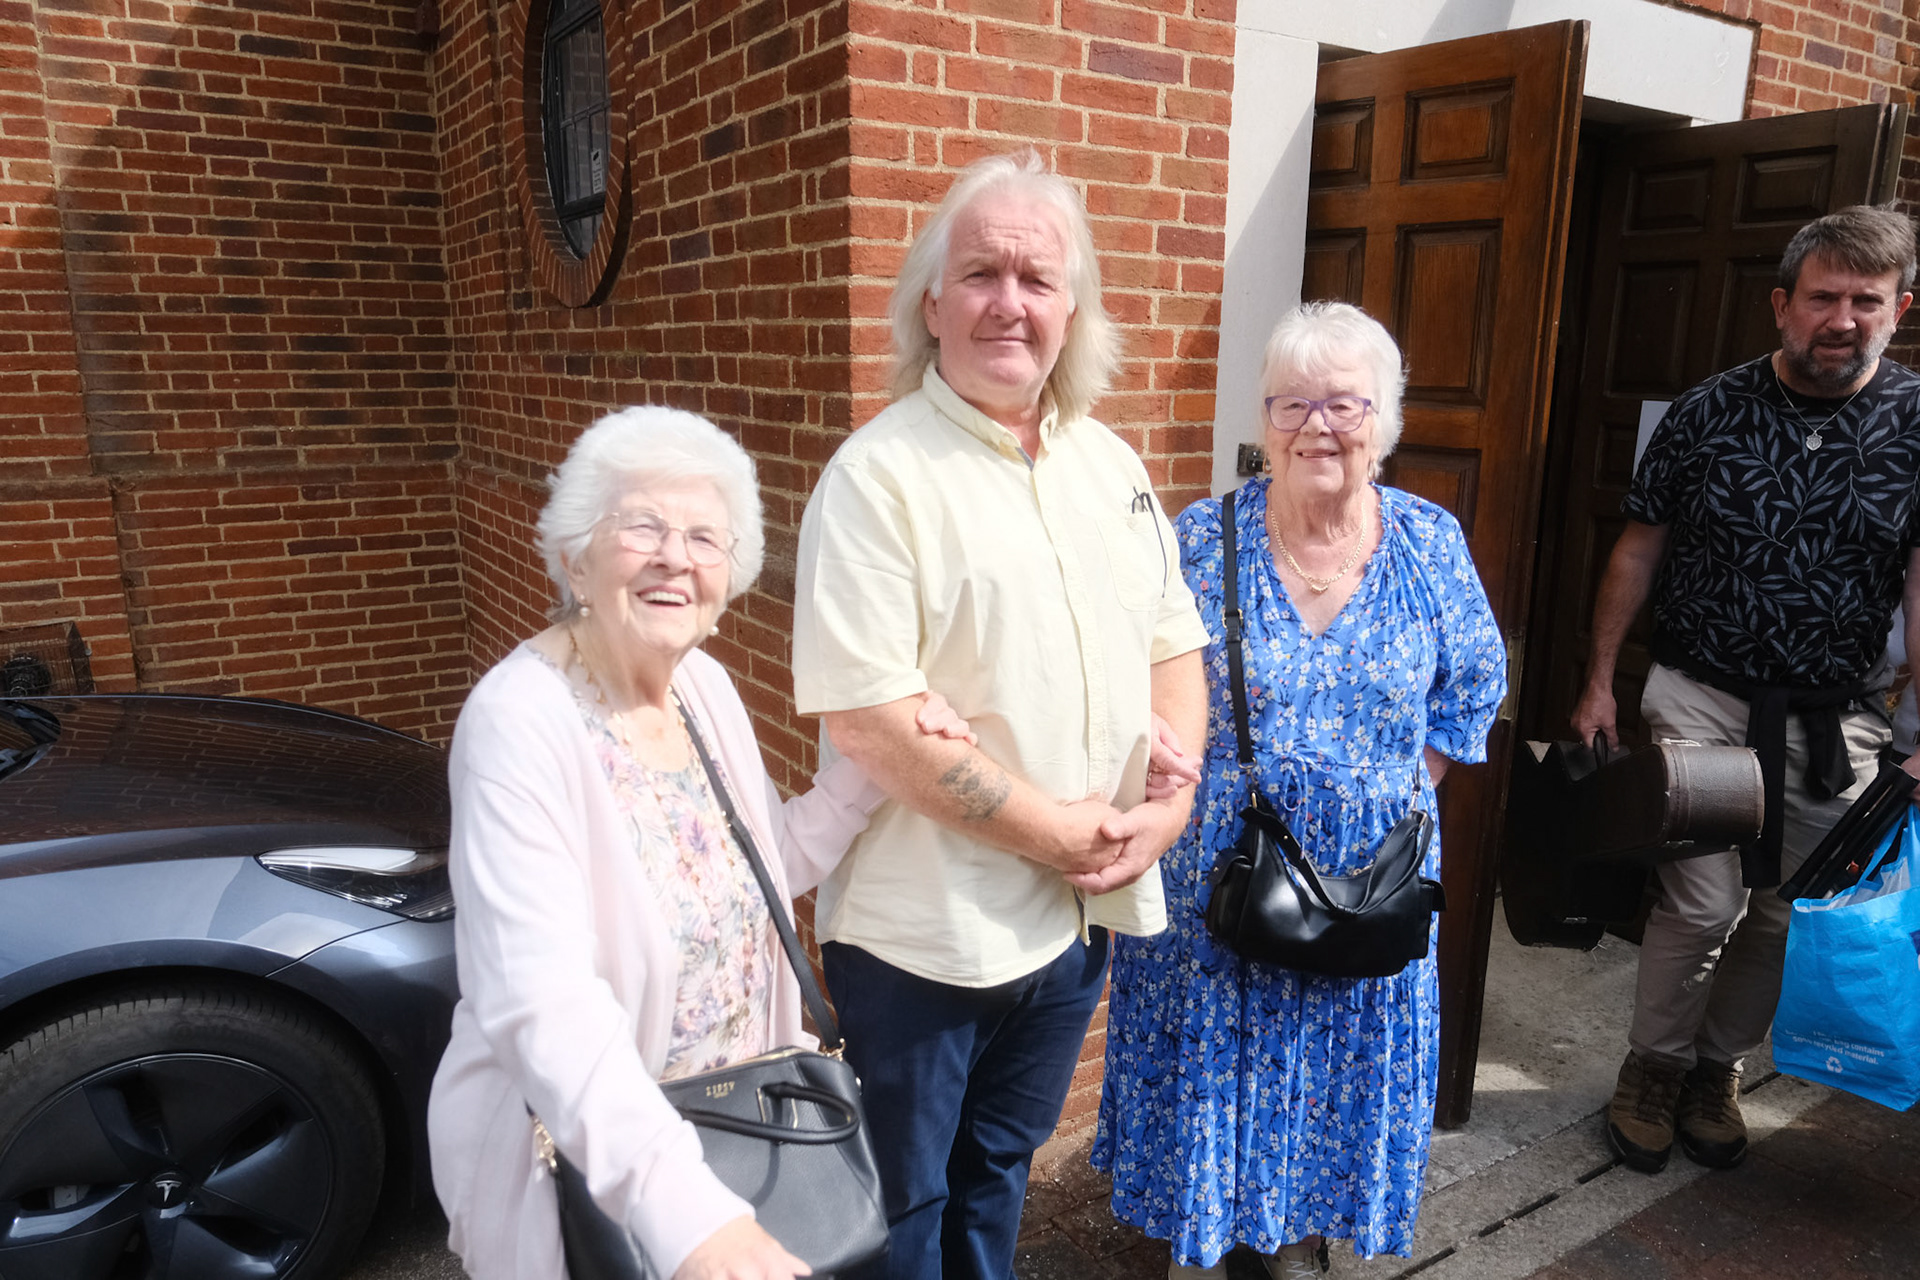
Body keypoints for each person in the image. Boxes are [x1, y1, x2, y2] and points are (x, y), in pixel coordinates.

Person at [427, 406, 976, 1280]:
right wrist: (689, 1216)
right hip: (589, 1171)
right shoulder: (518, 721)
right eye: (642, 526)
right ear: (575, 554)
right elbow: (541, 998)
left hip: (734, 1133)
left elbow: (765, 867)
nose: (675, 557)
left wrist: (881, 763)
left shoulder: (702, 688)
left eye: (704, 538)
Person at [790, 150, 1211, 1280]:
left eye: (1037, 279)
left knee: (999, 1177)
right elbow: (872, 720)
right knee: (904, 1209)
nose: (1009, 302)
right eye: (981, 273)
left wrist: (1170, 812)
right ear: (932, 303)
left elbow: (1173, 640)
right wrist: (1062, 834)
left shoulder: (1111, 465)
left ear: (1073, 310)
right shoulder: (879, 477)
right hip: (925, 939)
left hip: (1074, 923)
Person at [1092, 301, 1506, 1275]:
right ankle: (1211, 1240)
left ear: (1384, 420)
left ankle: (1298, 1240)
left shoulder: (1428, 540)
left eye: (1344, 404)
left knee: (1335, 1075)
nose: (1318, 426)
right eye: (1293, 403)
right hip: (1224, 876)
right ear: (1266, 420)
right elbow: (1128, 671)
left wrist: (1392, 791)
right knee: (1216, 1074)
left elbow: (1475, 684)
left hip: (1369, 883)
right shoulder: (1203, 539)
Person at [1570, 204, 1920, 1175]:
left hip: (1835, 719)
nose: (1842, 319)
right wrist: (1599, 681)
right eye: (1823, 297)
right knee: (1702, 901)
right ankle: (1653, 1065)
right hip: (1702, 695)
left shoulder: (1916, 422)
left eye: (1867, 301)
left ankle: (1714, 1070)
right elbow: (1637, 549)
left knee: (1784, 908)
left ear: (1899, 309)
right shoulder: (1707, 411)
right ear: (1781, 304)